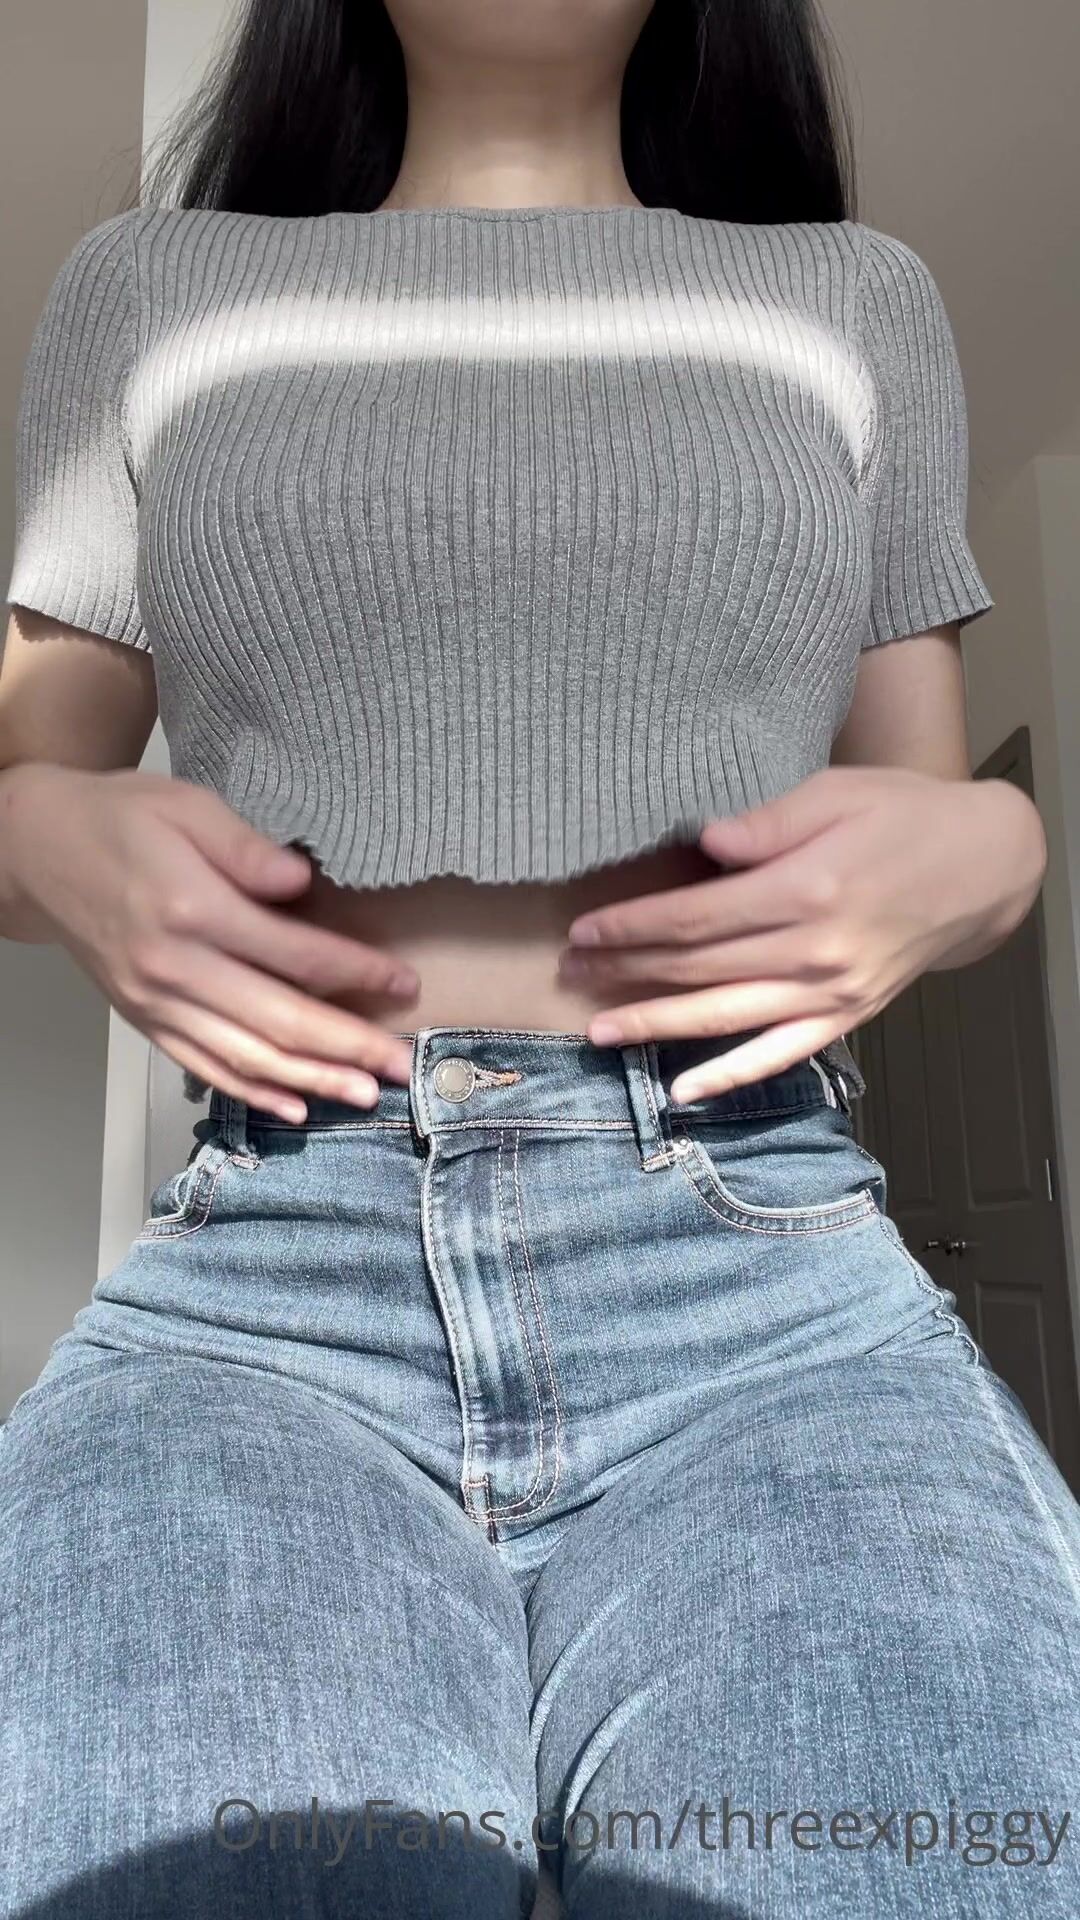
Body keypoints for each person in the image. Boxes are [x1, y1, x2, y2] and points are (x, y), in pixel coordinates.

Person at [1, 1, 1078, 1915]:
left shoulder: (859, 299)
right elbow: (25, 781)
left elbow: (921, 810)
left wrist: (1003, 843)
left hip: (765, 1271)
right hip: (271, 1270)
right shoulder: (147, 288)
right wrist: (34, 831)